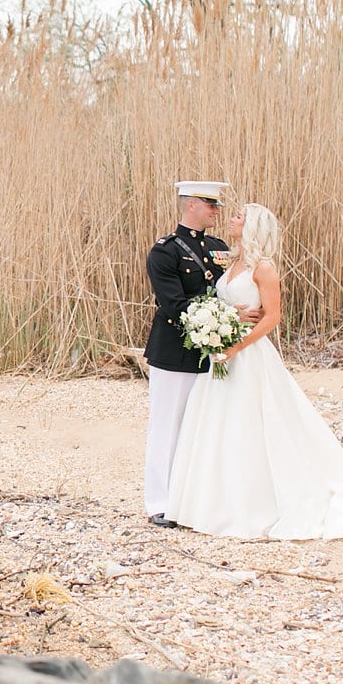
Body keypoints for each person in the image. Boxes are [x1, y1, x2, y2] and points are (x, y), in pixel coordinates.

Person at [166, 203, 343, 541]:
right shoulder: (231, 259)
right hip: (223, 351)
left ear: (253, 226)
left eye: (239, 216)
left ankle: (254, 506)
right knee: (220, 423)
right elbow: (228, 302)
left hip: (248, 354)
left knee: (252, 422)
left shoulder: (264, 268)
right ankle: (214, 504)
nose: (231, 219)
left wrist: (237, 346)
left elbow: (272, 316)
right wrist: (222, 321)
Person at [142, 180, 243, 528]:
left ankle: (195, 498)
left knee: (202, 427)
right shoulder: (165, 252)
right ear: (190, 206)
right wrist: (224, 317)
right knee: (167, 425)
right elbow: (173, 304)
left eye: (217, 205)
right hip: (173, 351)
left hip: (211, 352)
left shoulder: (218, 248)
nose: (216, 210)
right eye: (210, 204)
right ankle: (159, 502)